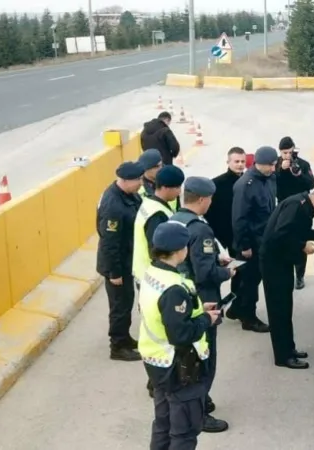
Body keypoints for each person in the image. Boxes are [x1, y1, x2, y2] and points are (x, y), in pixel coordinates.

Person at [138, 221, 223, 450]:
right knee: (184, 432)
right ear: (180, 250)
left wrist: (198, 310)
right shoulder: (174, 287)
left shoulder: (152, 273)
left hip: (157, 363)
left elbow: (165, 315)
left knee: (164, 424)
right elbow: (181, 334)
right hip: (179, 367)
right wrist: (207, 319)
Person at [171, 177, 233, 433]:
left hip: (182, 295)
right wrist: (227, 273)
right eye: (210, 199)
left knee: (189, 355)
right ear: (202, 199)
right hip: (202, 300)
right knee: (204, 358)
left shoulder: (175, 219)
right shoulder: (201, 229)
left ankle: (199, 401)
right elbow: (205, 272)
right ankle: (200, 413)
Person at [260, 185, 314, 369]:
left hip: (282, 262)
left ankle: (289, 349)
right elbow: (280, 235)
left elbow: (296, 232)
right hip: (274, 264)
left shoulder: (304, 206)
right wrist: (302, 246)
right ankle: (283, 356)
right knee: (279, 311)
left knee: (286, 308)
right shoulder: (297, 206)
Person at [96, 161, 144, 362]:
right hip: (117, 264)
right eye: (137, 180)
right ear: (124, 181)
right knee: (120, 306)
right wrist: (114, 273)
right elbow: (110, 243)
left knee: (126, 301)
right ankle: (117, 345)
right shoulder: (113, 206)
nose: (141, 183)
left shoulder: (128, 195)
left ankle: (125, 338)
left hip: (128, 259)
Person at [228, 146, 278, 334]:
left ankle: (236, 308)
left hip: (264, 239)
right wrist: (244, 245)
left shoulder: (269, 178)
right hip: (250, 242)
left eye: (274, 165)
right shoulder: (245, 185)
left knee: (252, 279)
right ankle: (248, 318)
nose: (273, 169)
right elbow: (239, 218)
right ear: (259, 164)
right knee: (250, 281)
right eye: (270, 166)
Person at [275, 136, 314, 290]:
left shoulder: (303, 164)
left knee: (301, 241)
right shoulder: (277, 164)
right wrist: (281, 170)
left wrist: (299, 174)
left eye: (289, 152)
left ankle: (299, 276)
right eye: (284, 153)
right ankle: (284, 273)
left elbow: (311, 184)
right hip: (283, 208)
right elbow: (272, 184)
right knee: (283, 240)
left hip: (302, 209)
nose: (287, 156)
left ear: (294, 150)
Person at [133, 165, 185, 285]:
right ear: (165, 188)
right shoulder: (157, 215)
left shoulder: (149, 203)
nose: (179, 192)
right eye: (177, 187)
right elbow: (158, 251)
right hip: (153, 278)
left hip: (145, 273)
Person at [206, 147, 247, 252]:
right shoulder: (216, 184)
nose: (240, 164)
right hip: (222, 233)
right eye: (236, 161)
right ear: (228, 162)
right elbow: (209, 211)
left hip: (243, 234)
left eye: (242, 161)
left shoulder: (249, 182)